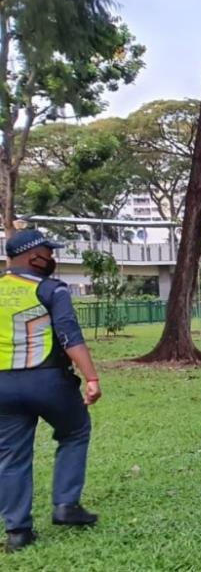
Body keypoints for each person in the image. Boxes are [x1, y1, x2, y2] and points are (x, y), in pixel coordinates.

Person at [0, 230, 103, 553]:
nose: (52, 257)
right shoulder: (50, 289)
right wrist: (91, 378)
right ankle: (66, 505)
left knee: (11, 456)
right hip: (47, 381)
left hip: (3, 386)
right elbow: (69, 335)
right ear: (34, 257)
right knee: (75, 431)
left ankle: (17, 531)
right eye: (49, 251)